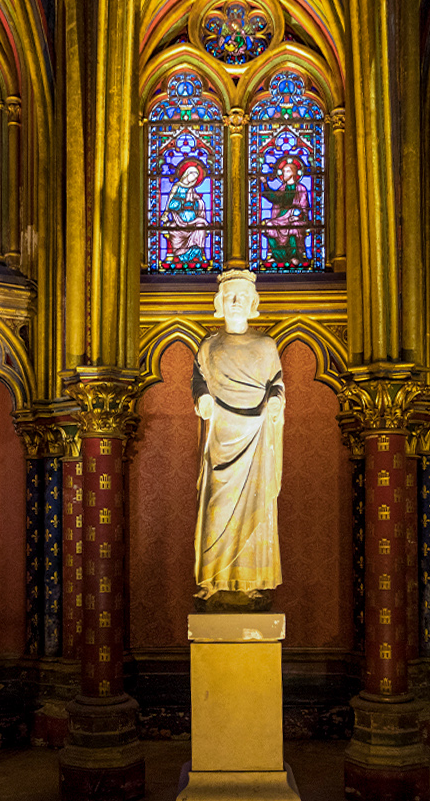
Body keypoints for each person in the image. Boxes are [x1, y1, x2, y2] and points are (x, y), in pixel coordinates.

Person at [192, 269, 284, 610]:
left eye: (242, 297)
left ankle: (249, 584)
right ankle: (215, 581)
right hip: (221, 439)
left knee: (255, 508)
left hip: (256, 436)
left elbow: (276, 382)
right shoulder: (209, 345)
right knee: (216, 511)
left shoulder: (265, 345)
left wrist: (275, 399)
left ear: (253, 303)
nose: (235, 301)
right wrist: (201, 398)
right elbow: (199, 380)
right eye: (230, 296)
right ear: (218, 303)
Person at [260, 154, 310, 266]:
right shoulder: (282, 188)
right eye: (283, 171)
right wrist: (265, 183)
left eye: (287, 171)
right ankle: (275, 255)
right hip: (281, 217)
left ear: (293, 173)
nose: (284, 174)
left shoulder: (301, 189)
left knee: (294, 226)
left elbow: (304, 207)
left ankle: (295, 255)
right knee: (269, 225)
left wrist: (298, 216)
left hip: (295, 216)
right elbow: (275, 198)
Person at [164, 158, 210, 268]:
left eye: (195, 177)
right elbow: (171, 204)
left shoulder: (192, 190)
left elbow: (198, 202)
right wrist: (182, 202)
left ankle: (196, 255)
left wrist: (196, 202)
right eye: (192, 175)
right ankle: (179, 256)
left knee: (201, 226)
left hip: (192, 218)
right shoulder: (177, 187)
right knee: (174, 230)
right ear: (187, 174)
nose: (193, 179)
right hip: (179, 218)